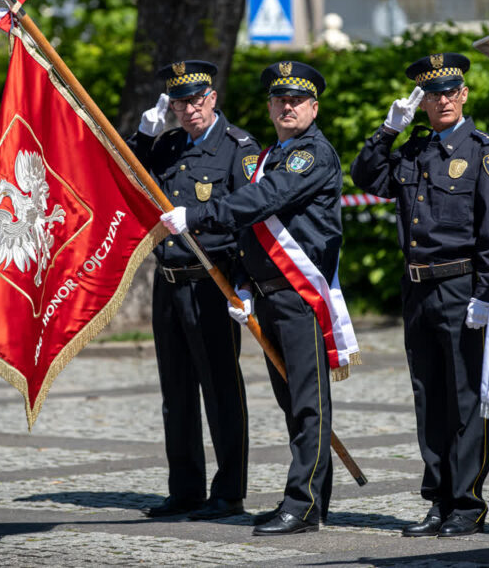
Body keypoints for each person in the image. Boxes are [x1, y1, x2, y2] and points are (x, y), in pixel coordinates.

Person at [160, 61, 352, 536]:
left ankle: (303, 505)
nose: (288, 107)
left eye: (297, 100)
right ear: (270, 106)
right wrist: (244, 283)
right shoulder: (277, 152)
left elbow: (262, 201)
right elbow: (254, 228)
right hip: (269, 292)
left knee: (309, 403)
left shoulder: (311, 154)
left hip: (298, 292)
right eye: (280, 100)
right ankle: (310, 500)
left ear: (314, 107)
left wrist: (199, 216)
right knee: (292, 401)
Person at [350, 53, 489, 538]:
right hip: (417, 287)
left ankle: (466, 503)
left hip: (461, 288)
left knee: (463, 399)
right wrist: (386, 130)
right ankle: (437, 499)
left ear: (463, 95)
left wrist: (484, 295)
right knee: (428, 397)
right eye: (430, 94)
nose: (440, 100)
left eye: (448, 91)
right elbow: (365, 177)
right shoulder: (414, 151)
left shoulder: (485, 152)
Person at [127, 60, 254, 520]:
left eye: (196, 100)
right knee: (176, 393)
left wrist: (244, 285)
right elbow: (127, 179)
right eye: (179, 102)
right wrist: (143, 135)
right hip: (170, 282)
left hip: (213, 284)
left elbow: (248, 218)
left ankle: (229, 491)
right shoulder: (169, 144)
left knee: (221, 391)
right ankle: (185, 489)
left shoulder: (238, 149)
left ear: (212, 98)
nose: (189, 110)